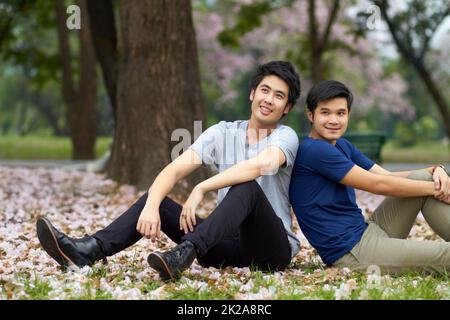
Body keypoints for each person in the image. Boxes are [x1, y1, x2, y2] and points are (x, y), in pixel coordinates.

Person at [36, 61, 302, 281]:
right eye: (265, 90)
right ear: (252, 93)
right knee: (159, 200)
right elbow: (174, 170)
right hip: (224, 246)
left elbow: (259, 166)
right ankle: (89, 250)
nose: (269, 99)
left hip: (270, 251)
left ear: (287, 107)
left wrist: (202, 187)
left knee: (246, 187)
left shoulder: (285, 137)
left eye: (279, 96)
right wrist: (152, 204)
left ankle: (184, 253)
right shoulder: (223, 132)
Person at [289, 80, 450, 275]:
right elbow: (377, 184)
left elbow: (387, 176)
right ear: (310, 115)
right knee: (445, 255)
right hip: (353, 252)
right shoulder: (314, 150)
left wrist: (434, 170)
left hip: (369, 231)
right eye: (325, 112)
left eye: (340, 113)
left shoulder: (341, 145)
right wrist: (437, 189)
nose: (334, 120)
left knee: (420, 177)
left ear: (348, 115)